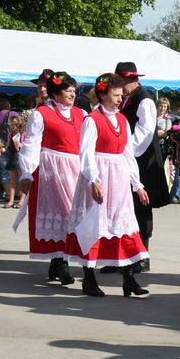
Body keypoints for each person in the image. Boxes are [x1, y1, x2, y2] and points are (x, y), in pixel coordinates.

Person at [63, 74, 150, 297]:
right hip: (100, 178)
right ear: (103, 94)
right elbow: (86, 153)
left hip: (119, 180)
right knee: (94, 226)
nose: (120, 99)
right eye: (116, 94)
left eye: (122, 95)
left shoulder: (122, 120)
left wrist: (137, 185)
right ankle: (89, 279)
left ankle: (128, 278)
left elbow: (128, 155)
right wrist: (93, 179)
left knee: (123, 227)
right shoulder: (92, 119)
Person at [18, 71, 85, 285]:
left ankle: (58, 262)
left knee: (72, 215)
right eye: (68, 90)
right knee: (62, 214)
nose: (72, 94)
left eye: (74, 90)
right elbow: (31, 144)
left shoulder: (81, 114)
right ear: (56, 93)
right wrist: (27, 172)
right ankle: (62, 262)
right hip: (51, 169)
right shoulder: (42, 114)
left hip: (74, 168)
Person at [115, 61, 171, 272]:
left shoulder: (144, 100)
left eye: (121, 81)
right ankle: (122, 255)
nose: (120, 86)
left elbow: (145, 133)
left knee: (141, 207)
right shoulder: (126, 99)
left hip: (143, 162)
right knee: (123, 207)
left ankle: (142, 256)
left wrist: (124, 151)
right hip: (129, 159)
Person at [3, 115, 26, 208]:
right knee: (12, 180)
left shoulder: (23, 134)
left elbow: (26, 145)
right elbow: (8, 146)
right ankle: (11, 200)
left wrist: (21, 144)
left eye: (15, 125)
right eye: (12, 125)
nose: (13, 127)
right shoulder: (11, 134)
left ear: (20, 125)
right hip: (12, 157)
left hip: (20, 158)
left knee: (22, 180)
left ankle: (22, 200)